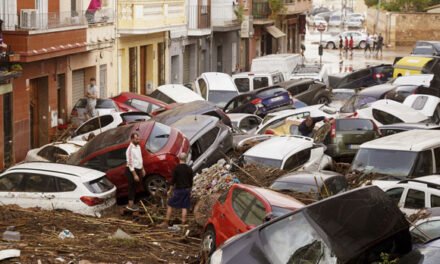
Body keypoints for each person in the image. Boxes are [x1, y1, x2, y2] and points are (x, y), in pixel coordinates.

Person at [160, 153, 193, 227]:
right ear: (186, 158)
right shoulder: (189, 169)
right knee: (184, 206)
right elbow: (191, 181)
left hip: (179, 190)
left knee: (170, 204)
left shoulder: (176, 168)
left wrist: (170, 190)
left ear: (179, 158)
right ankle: (183, 223)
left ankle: (166, 222)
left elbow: (173, 181)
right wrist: (190, 190)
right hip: (187, 190)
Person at [125, 132, 145, 211]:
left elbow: (140, 158)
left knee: (137, 186)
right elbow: (130, 163)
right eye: (136, 139)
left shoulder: (138, 147)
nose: (138, 140)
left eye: (138, 139)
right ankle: (130, 205)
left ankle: (134, 202)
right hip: (131, 171)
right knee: (131, 187)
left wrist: (142, 168)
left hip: (138, 169)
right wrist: (134, 175)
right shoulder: (130, 150)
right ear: (132, 139)